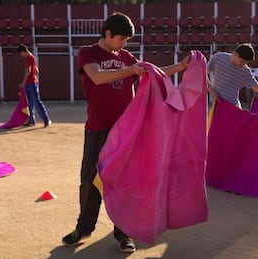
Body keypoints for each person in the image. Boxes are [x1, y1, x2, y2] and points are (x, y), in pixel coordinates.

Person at [62, 12, 191, 253]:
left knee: (125, 182)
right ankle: (84, 228)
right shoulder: (88, 53)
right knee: (89, 180)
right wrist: (130, 70)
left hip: (126, 131)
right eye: (121, 38)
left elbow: (155, 72)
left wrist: (182, 67)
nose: (124, 44)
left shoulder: (126, 57)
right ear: (108, 34)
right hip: (98, 128)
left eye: (126, 40)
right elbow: (97, 77)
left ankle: (123, 232)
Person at [207, 43, 258, 108]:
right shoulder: (218, 58)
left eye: (245, 63)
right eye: (242, 61)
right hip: (217, 103)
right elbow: (203, 74)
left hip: (233, 106)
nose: (243, 65)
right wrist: (211, 91)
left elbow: (256, 86)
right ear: (236, 54)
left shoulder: (245, 71)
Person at [17, 45, 51, 127]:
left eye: (20, 54)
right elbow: (36, 70)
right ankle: (31, 120)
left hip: (31, 82)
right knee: (31, 102)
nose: (21, 55)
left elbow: (28, 70)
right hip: (31, 82)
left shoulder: (29, 57)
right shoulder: (32, 57)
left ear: (23, 51)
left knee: (36, 101)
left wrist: (23, 82)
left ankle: (46, 119)